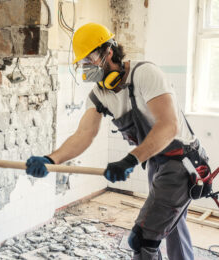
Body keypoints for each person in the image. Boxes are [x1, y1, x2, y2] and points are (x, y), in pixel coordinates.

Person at [25, 23, 210, 259]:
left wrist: (130, 160)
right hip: (156, 163)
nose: (85, 67)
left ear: (108, 52)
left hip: (181, 163)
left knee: (143, 238)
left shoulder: (144, 74)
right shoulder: (99, 94)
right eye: (82, 62)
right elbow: (83, 135)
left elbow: (169, 125)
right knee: (171, 226)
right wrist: (50, 159)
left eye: (89, 59)